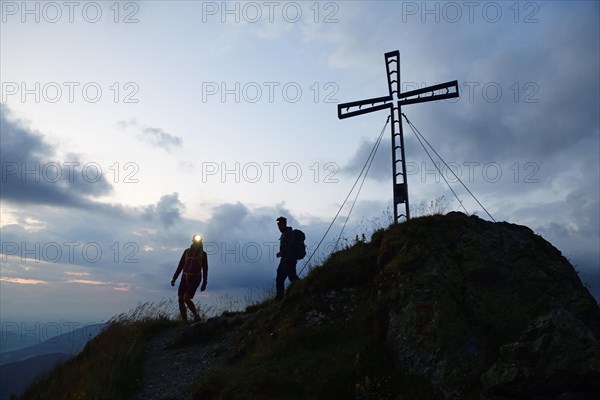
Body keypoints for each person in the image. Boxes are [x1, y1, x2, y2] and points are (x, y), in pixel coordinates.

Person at [171, 234, 208, 323]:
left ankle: (196, 315)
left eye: (198, 241)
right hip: (184, 277)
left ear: (201, 242)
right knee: (180, 298)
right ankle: (185, 322)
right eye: (195, 241)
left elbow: (205, 269)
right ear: (192, 241)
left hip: (195, 278)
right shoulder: (186, 252)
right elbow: (180, 266)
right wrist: (174, 278)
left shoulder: (203, 254)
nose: (196, 243)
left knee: (186, 298)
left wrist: (204, 283)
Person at [275, 216, 299, 300]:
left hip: (290, 259)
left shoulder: (289, 233)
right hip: (284, 260)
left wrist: (282, 252)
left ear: (284, 224)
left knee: (292, 277)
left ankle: (303, 289)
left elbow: (292, 245)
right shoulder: (284, 234)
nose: (279, 226)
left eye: (280, 224)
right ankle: (279, 298)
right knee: (279, 278)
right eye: (278, 225)